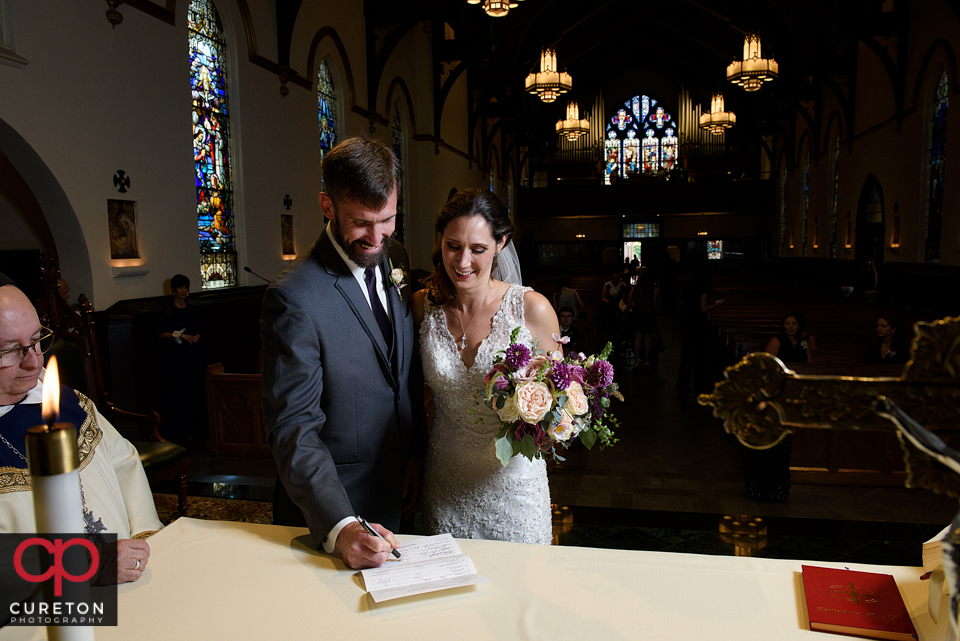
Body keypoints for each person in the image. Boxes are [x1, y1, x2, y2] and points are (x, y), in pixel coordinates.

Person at [260, 137, 426, 570]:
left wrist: (413, 454)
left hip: (395, 494)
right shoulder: (294, 297)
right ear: (327, 206)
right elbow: (293, 427)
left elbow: (402, 374)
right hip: (332, 515)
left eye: (387, 220)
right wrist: (341, 524)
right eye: (361, 222)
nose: (375, 237)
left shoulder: (396, 257)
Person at [413, 189, 560, 544]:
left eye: (477, 249)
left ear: (501, 243)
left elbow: (561, 398)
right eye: (453, 246)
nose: (463, 262)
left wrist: (546, 414)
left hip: (514, 490)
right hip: (444, 480)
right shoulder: (421, 307)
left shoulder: (531, 309)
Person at [0, 282, 161, 584]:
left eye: (36, 341)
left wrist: (143, 541)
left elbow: (123, 462)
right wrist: (87, 565)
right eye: (10, 350)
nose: (34, 361)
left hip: (128, 586)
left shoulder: (71, 404)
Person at [158, 274, 203, 446]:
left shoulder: (192, 309)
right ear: (174, 290)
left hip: (192, 356)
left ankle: (196, 429)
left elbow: (199, 328)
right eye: (180, 288)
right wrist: (181, 335)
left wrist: (196, 336)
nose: (183, 291)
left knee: (193, 392)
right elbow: (161, 332)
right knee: (178, 395)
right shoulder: (169, 311)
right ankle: (180, 432)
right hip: (176, 358)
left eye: (186, 287)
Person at [676, 265, 722, 392]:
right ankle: (700, 385)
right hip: (698, 324)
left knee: (686, 355)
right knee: (700, 356)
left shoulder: (687, 285)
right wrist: (715, 305)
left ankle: (682, 385)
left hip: (686, 322)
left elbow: (682, 303)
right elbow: (703, 309)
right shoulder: (702, 287)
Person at [625, 274, 659, 370]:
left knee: (637, 338)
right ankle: (646, 361)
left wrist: (624, 316)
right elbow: (655, 305)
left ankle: (636, 362)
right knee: (647, 337)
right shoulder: (651, 291)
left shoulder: (634, 290)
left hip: (637, 314)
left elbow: (628, 305)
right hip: (648, 314)